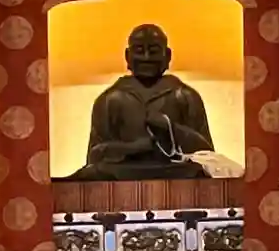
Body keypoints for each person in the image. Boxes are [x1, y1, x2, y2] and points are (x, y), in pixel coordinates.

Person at [72, 23, 215, 181]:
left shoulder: (184, 96)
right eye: (139, 51)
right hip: (123, 172)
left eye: (154, 51)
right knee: (93, 173)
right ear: (128, 56)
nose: (146, 57)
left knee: (199, 172)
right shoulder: (111, 99)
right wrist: (137, 147)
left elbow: (207, 156)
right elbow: (95, 155)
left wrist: (172, 130)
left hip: (173, 170)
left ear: (167, 55)